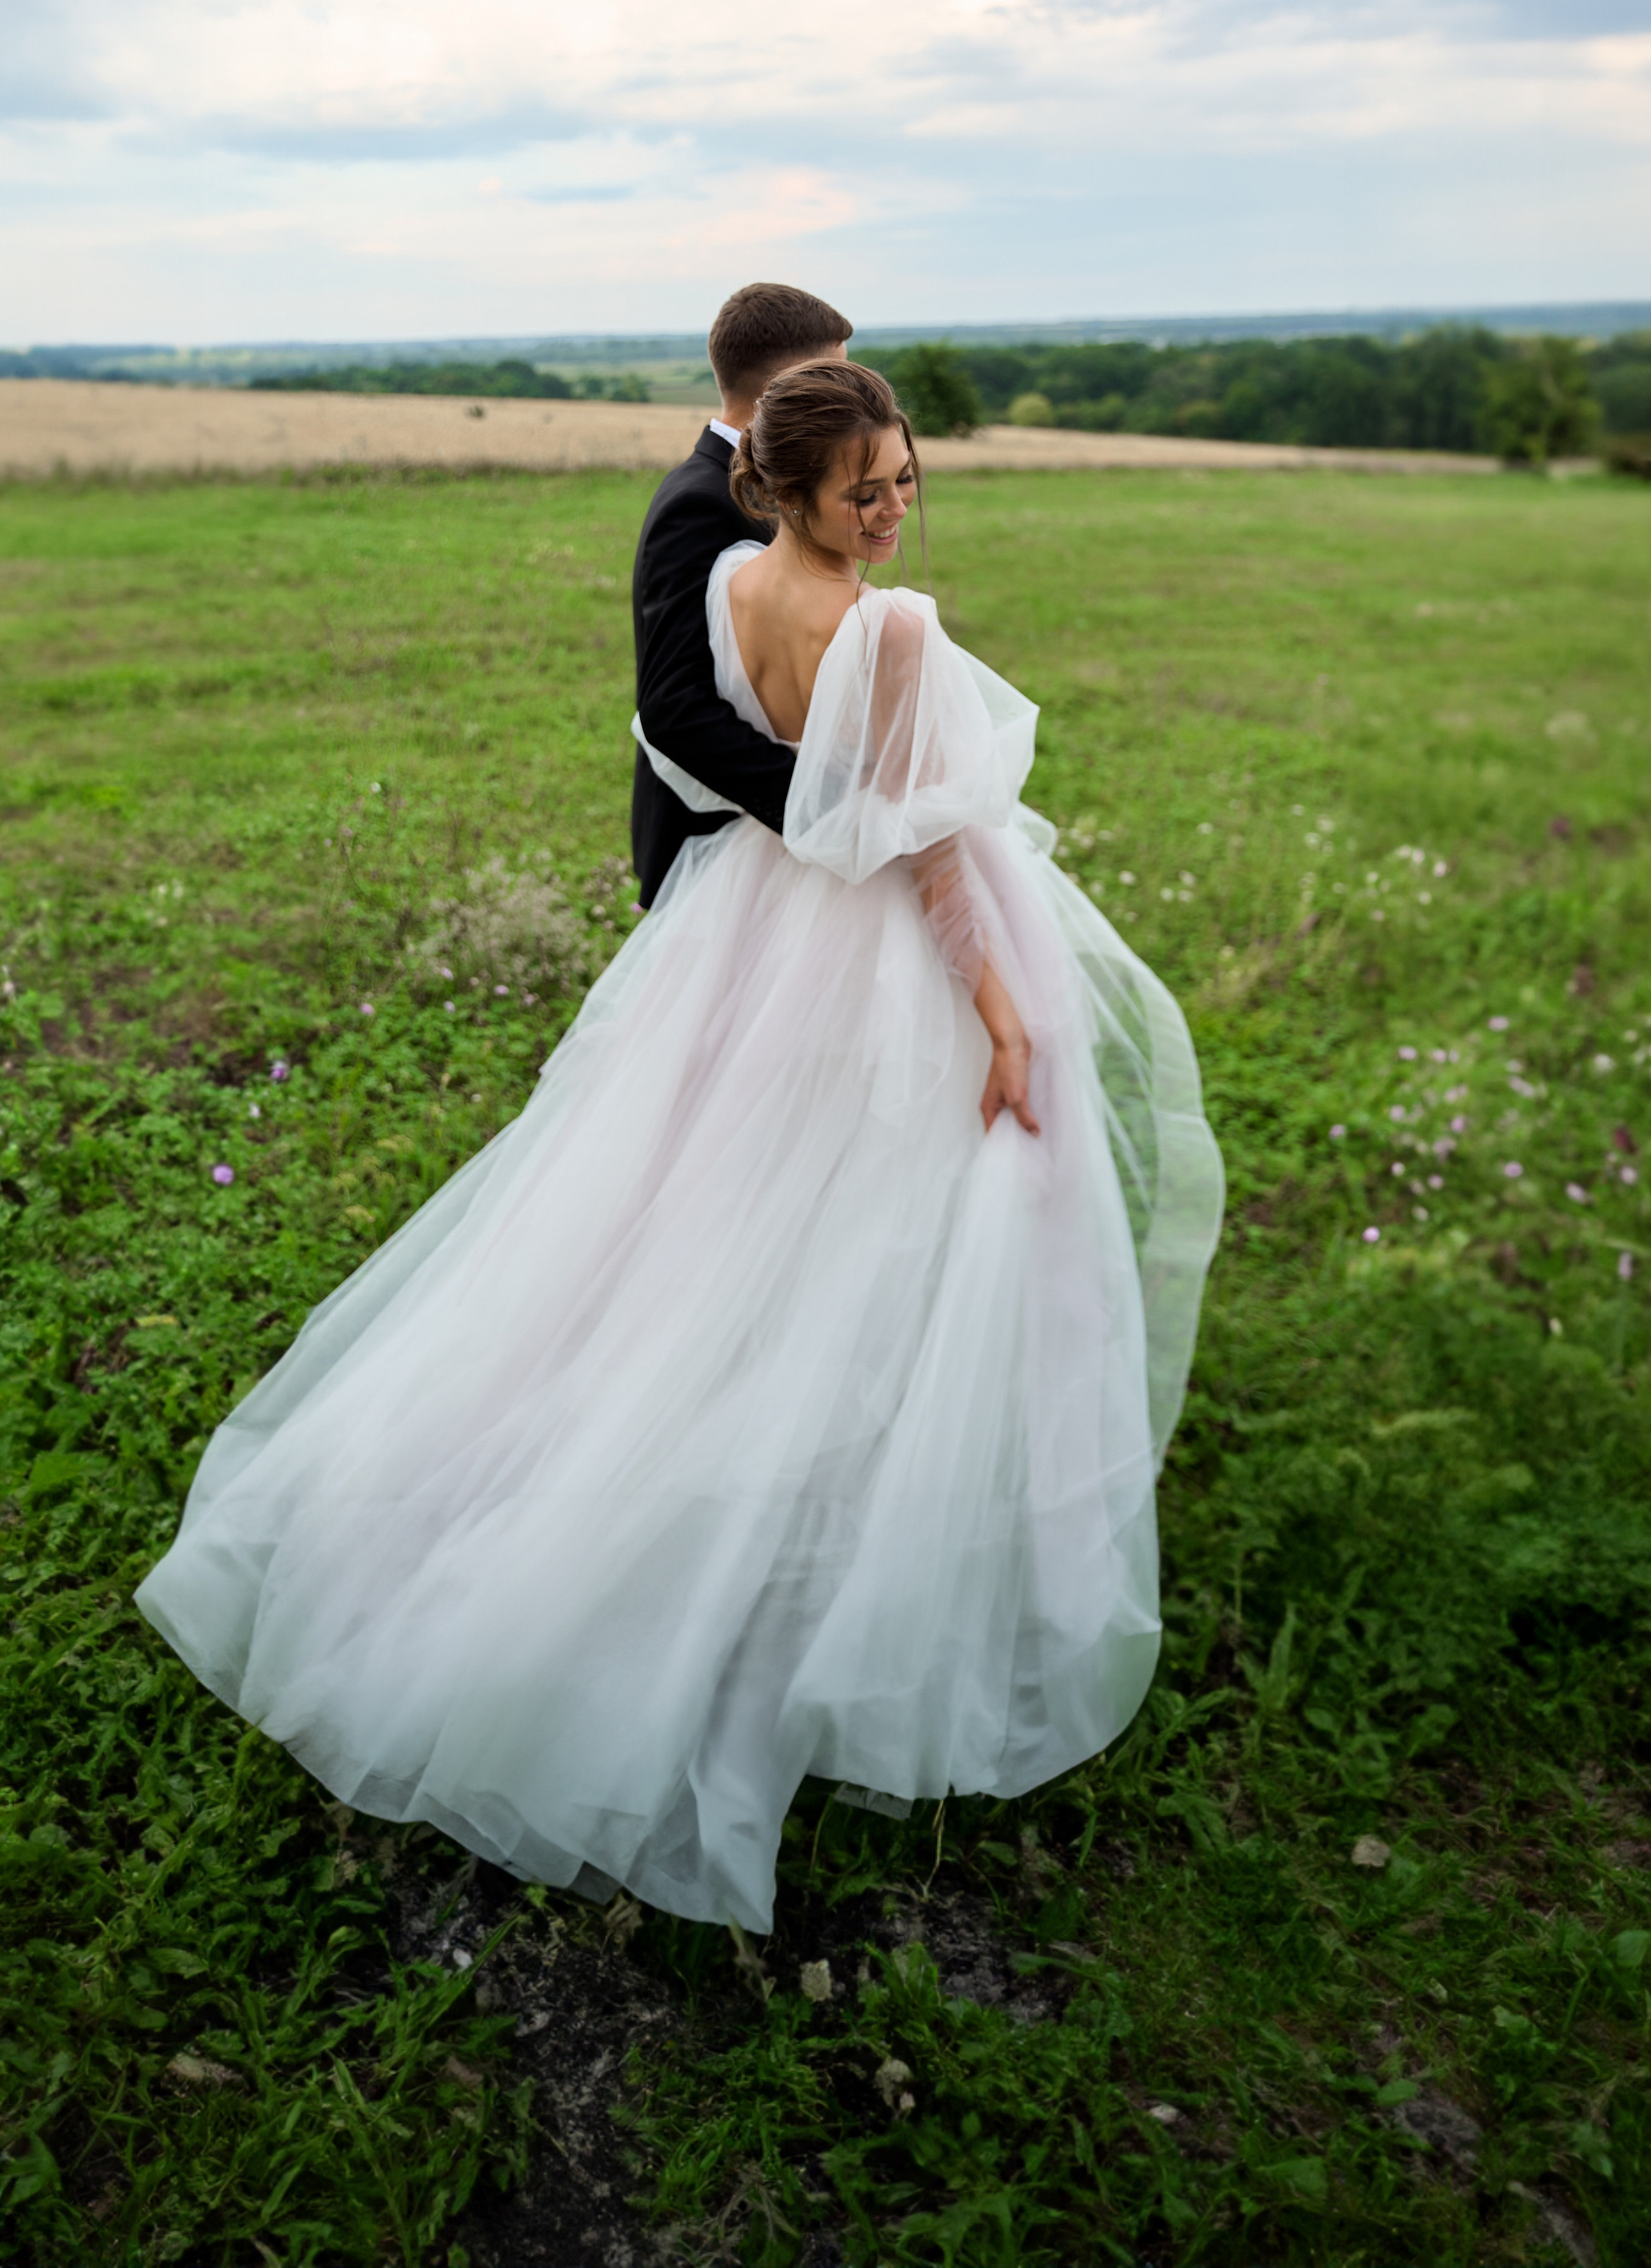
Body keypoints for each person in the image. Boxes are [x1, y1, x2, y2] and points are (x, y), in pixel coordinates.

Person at [135, 359, 1223, 1935]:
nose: (896, 506)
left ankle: (716, 1478)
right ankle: (808, 1546)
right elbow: (922, 855)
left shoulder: (724, 580)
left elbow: (733, 759)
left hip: (744, 927)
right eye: (869, 489)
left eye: (908, 476)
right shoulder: (893, 626)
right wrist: (998, 1009)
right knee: (864, 1230)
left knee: (716, 1221)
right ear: (794, 488)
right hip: (867, 957)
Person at [630, 281, 851, 908]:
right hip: (722, 848)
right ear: (785, 389)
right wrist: (819, 810)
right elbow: (674, 707)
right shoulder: (699, 502)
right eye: (833, 381)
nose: (846, 399)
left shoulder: (773, 485)